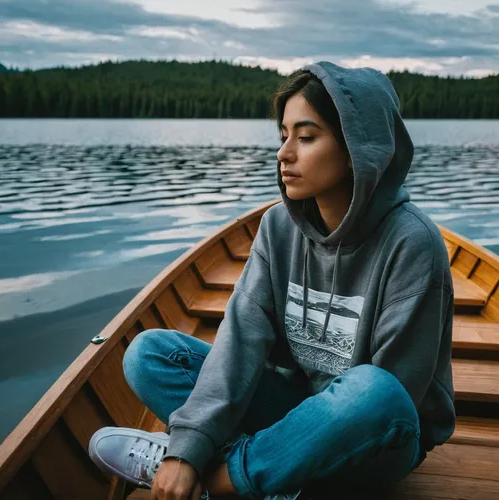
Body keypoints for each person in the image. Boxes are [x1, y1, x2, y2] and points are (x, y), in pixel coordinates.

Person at [88, 61, 456, 500]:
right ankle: (264, 469)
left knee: (373, 390)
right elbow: (241, 337)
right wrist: (186, 448)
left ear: (361, 146)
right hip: (295, 412)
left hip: (375, 437)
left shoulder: (412, 242)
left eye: (306, 137)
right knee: (150, 354)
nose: (284, 154)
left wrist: (195, 465)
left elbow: (396, 399)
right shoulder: (278, 227)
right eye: (283, 136)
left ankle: (219, 482)